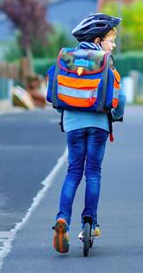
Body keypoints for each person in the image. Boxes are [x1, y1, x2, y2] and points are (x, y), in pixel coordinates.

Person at [52, 13, 126, 254]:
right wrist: (115, 115)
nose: (112, 45)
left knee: (73, 171)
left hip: (73, 124)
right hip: (98, 126)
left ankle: (63, 218)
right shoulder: (105, 61)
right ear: (97, 40)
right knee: (93, 172)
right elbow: (120, 98)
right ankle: (89, 222)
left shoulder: (67, 59)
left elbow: (54, 90)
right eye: (110, 39)